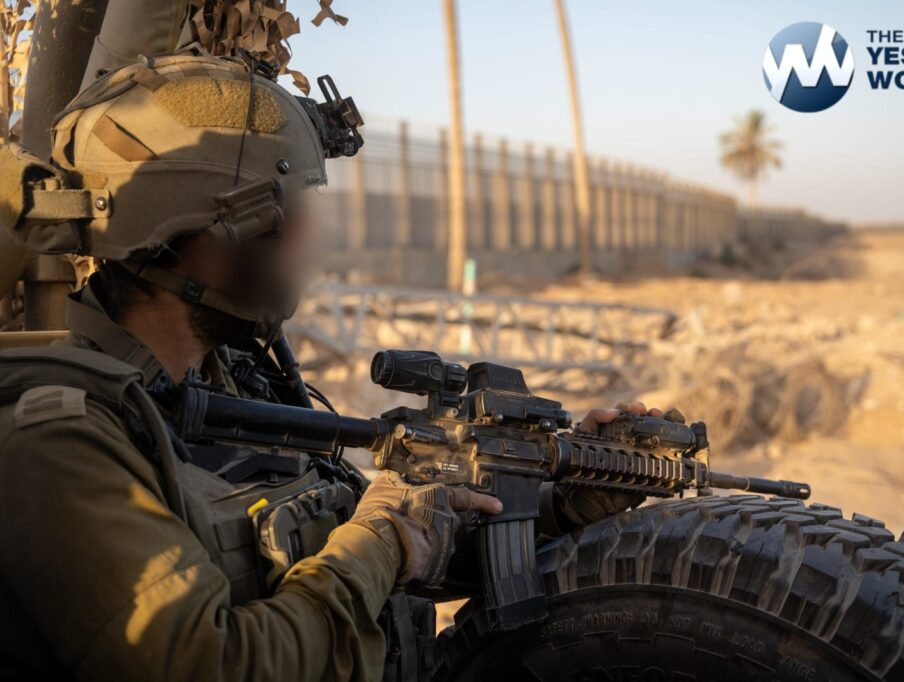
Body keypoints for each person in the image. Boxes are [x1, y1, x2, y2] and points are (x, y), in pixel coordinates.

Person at [0, 52, 653, 681]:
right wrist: (382, 539)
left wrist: (552, 503)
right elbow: (214, 665)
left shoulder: (232, 378)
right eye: (292, 208)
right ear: (210, 240)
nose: (311, 235)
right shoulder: (58, 441)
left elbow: (353, 561)